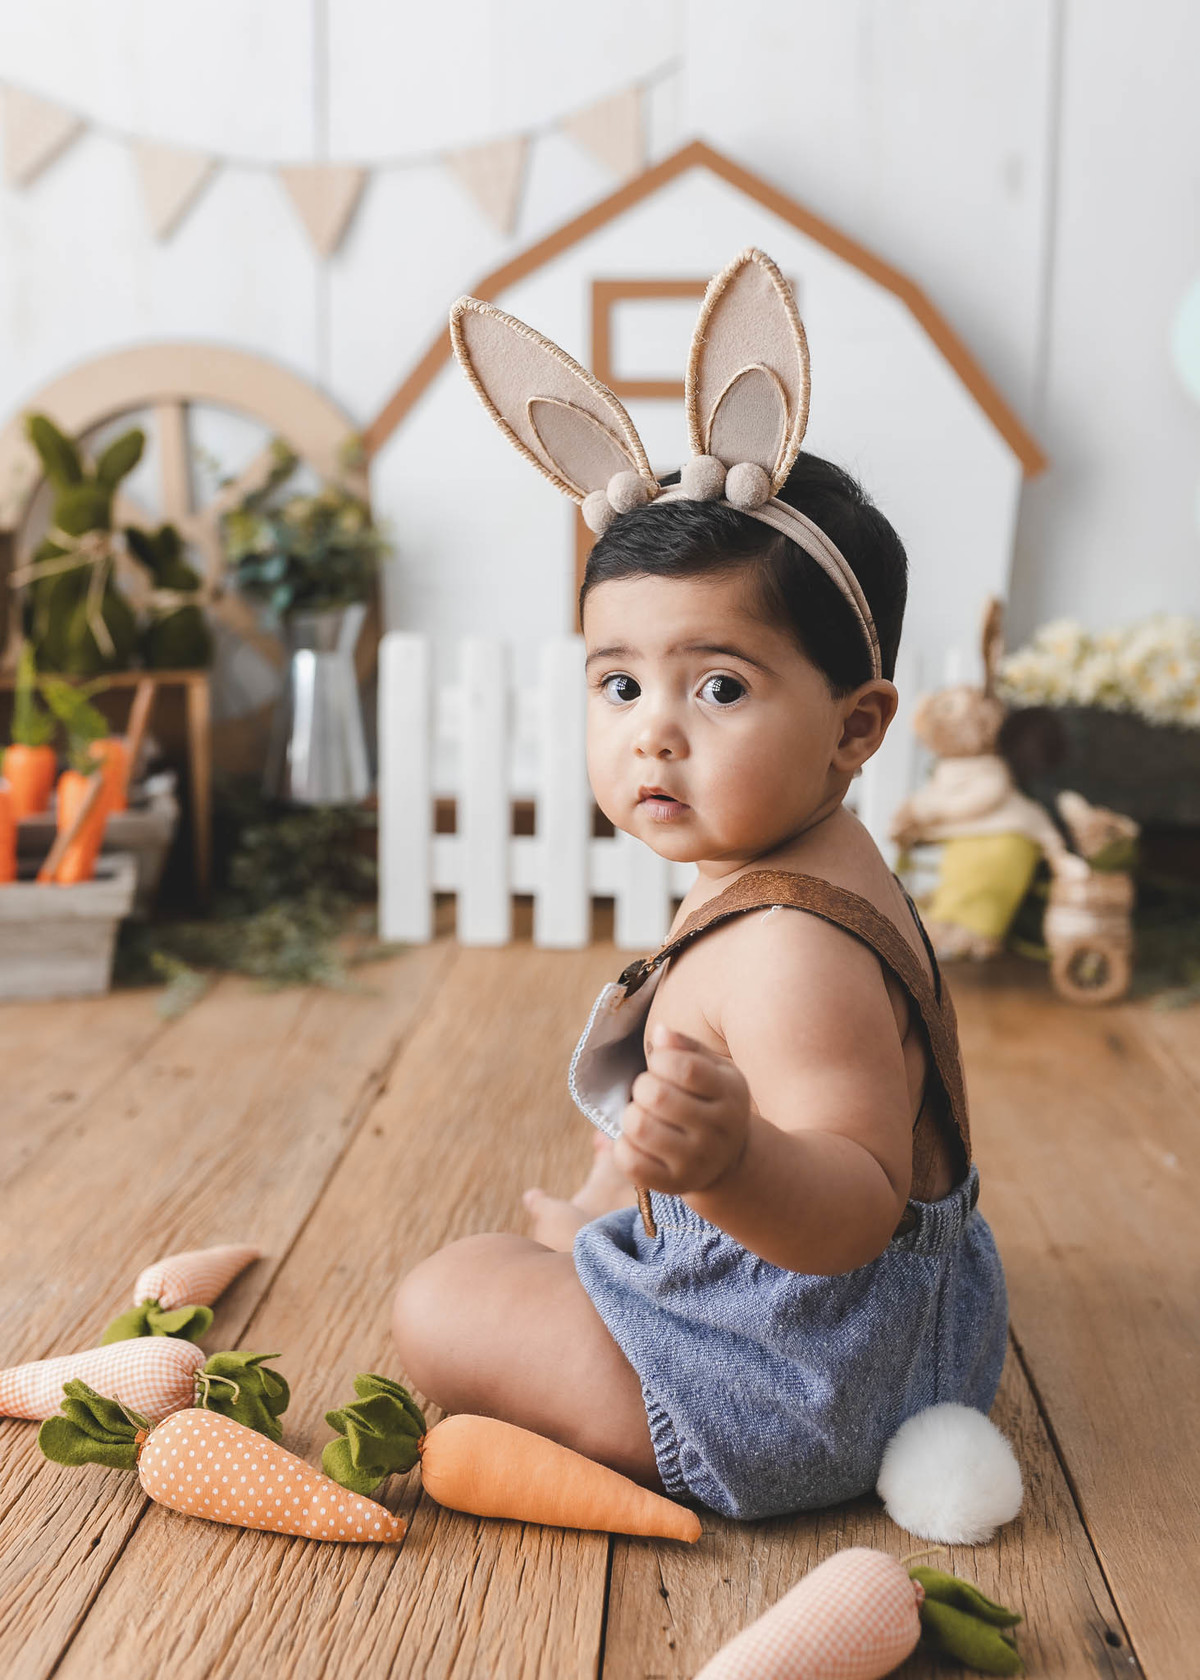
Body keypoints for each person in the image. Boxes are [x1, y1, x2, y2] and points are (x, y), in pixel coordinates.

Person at [390, 254, 1008, 1520]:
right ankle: (609, 1245)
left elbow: (855, 1204)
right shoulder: (805, 862)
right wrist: (650, 1182)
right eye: (619, 684)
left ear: (855, 725)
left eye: (718, 686)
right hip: (891, 1335)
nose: (653, 734)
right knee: (597, 1191)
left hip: (788, 1387)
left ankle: (647, 1382)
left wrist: (734, 1163)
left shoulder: (791, 950)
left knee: (444, 1299)